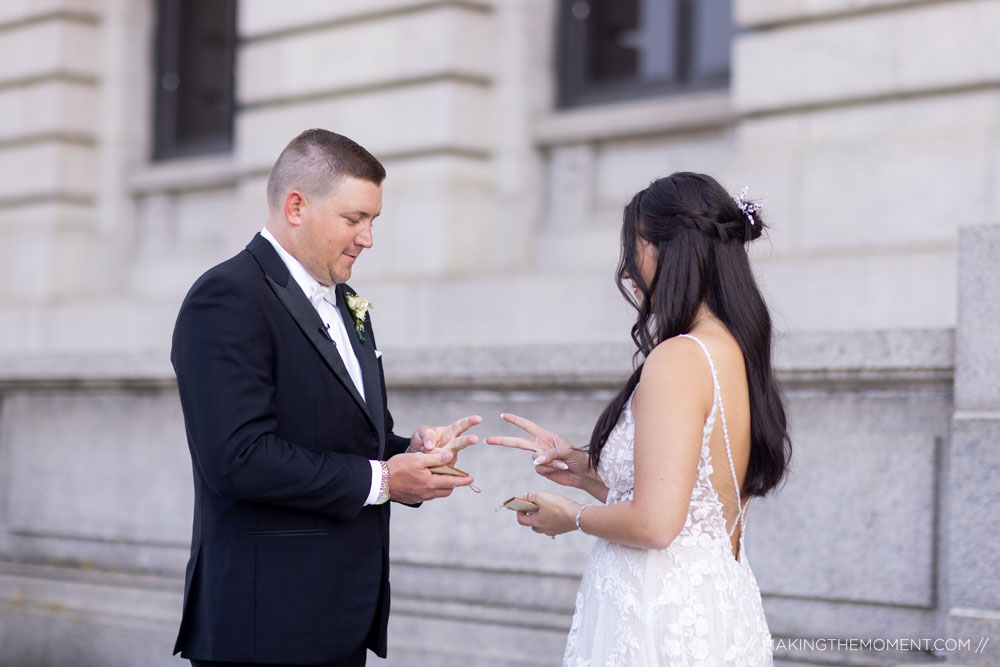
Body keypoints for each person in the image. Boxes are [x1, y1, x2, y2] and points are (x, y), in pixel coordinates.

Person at [171, 128, 481, 667]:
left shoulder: (348, 302)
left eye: (373, 222)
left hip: (339, 619)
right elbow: (237, 459)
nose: (367, 238)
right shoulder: (227, 297)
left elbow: (358, 437)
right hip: (262, 626)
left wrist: (415, 452)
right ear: (296, 206)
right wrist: (385, 480)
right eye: (354, 219)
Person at [487, 173, 791, 665]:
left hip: (658, 610)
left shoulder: (679, 358)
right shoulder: (734, 351)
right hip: (715, 601)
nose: (628, 268)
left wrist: (572, 517)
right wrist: (588, 476)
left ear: (671, 249)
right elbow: (694, 508)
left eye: (635, 247)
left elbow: (655, 525)